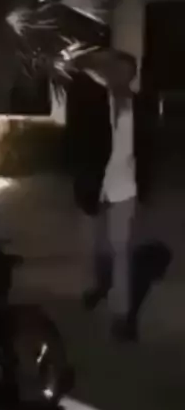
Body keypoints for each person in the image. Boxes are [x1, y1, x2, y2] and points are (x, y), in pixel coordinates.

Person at [65, 48, 158, 342]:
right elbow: (77, 142)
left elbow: (149, 149)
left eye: (124, 71)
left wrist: (146, 188)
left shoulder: (143, 105)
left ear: (132, 75)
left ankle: (123, 318)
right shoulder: (89, 102)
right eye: (112, 70)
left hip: (127, 188)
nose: (118, 76)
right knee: (100, 250)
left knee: (124, 254)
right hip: (96, 186)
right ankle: (103, 286)